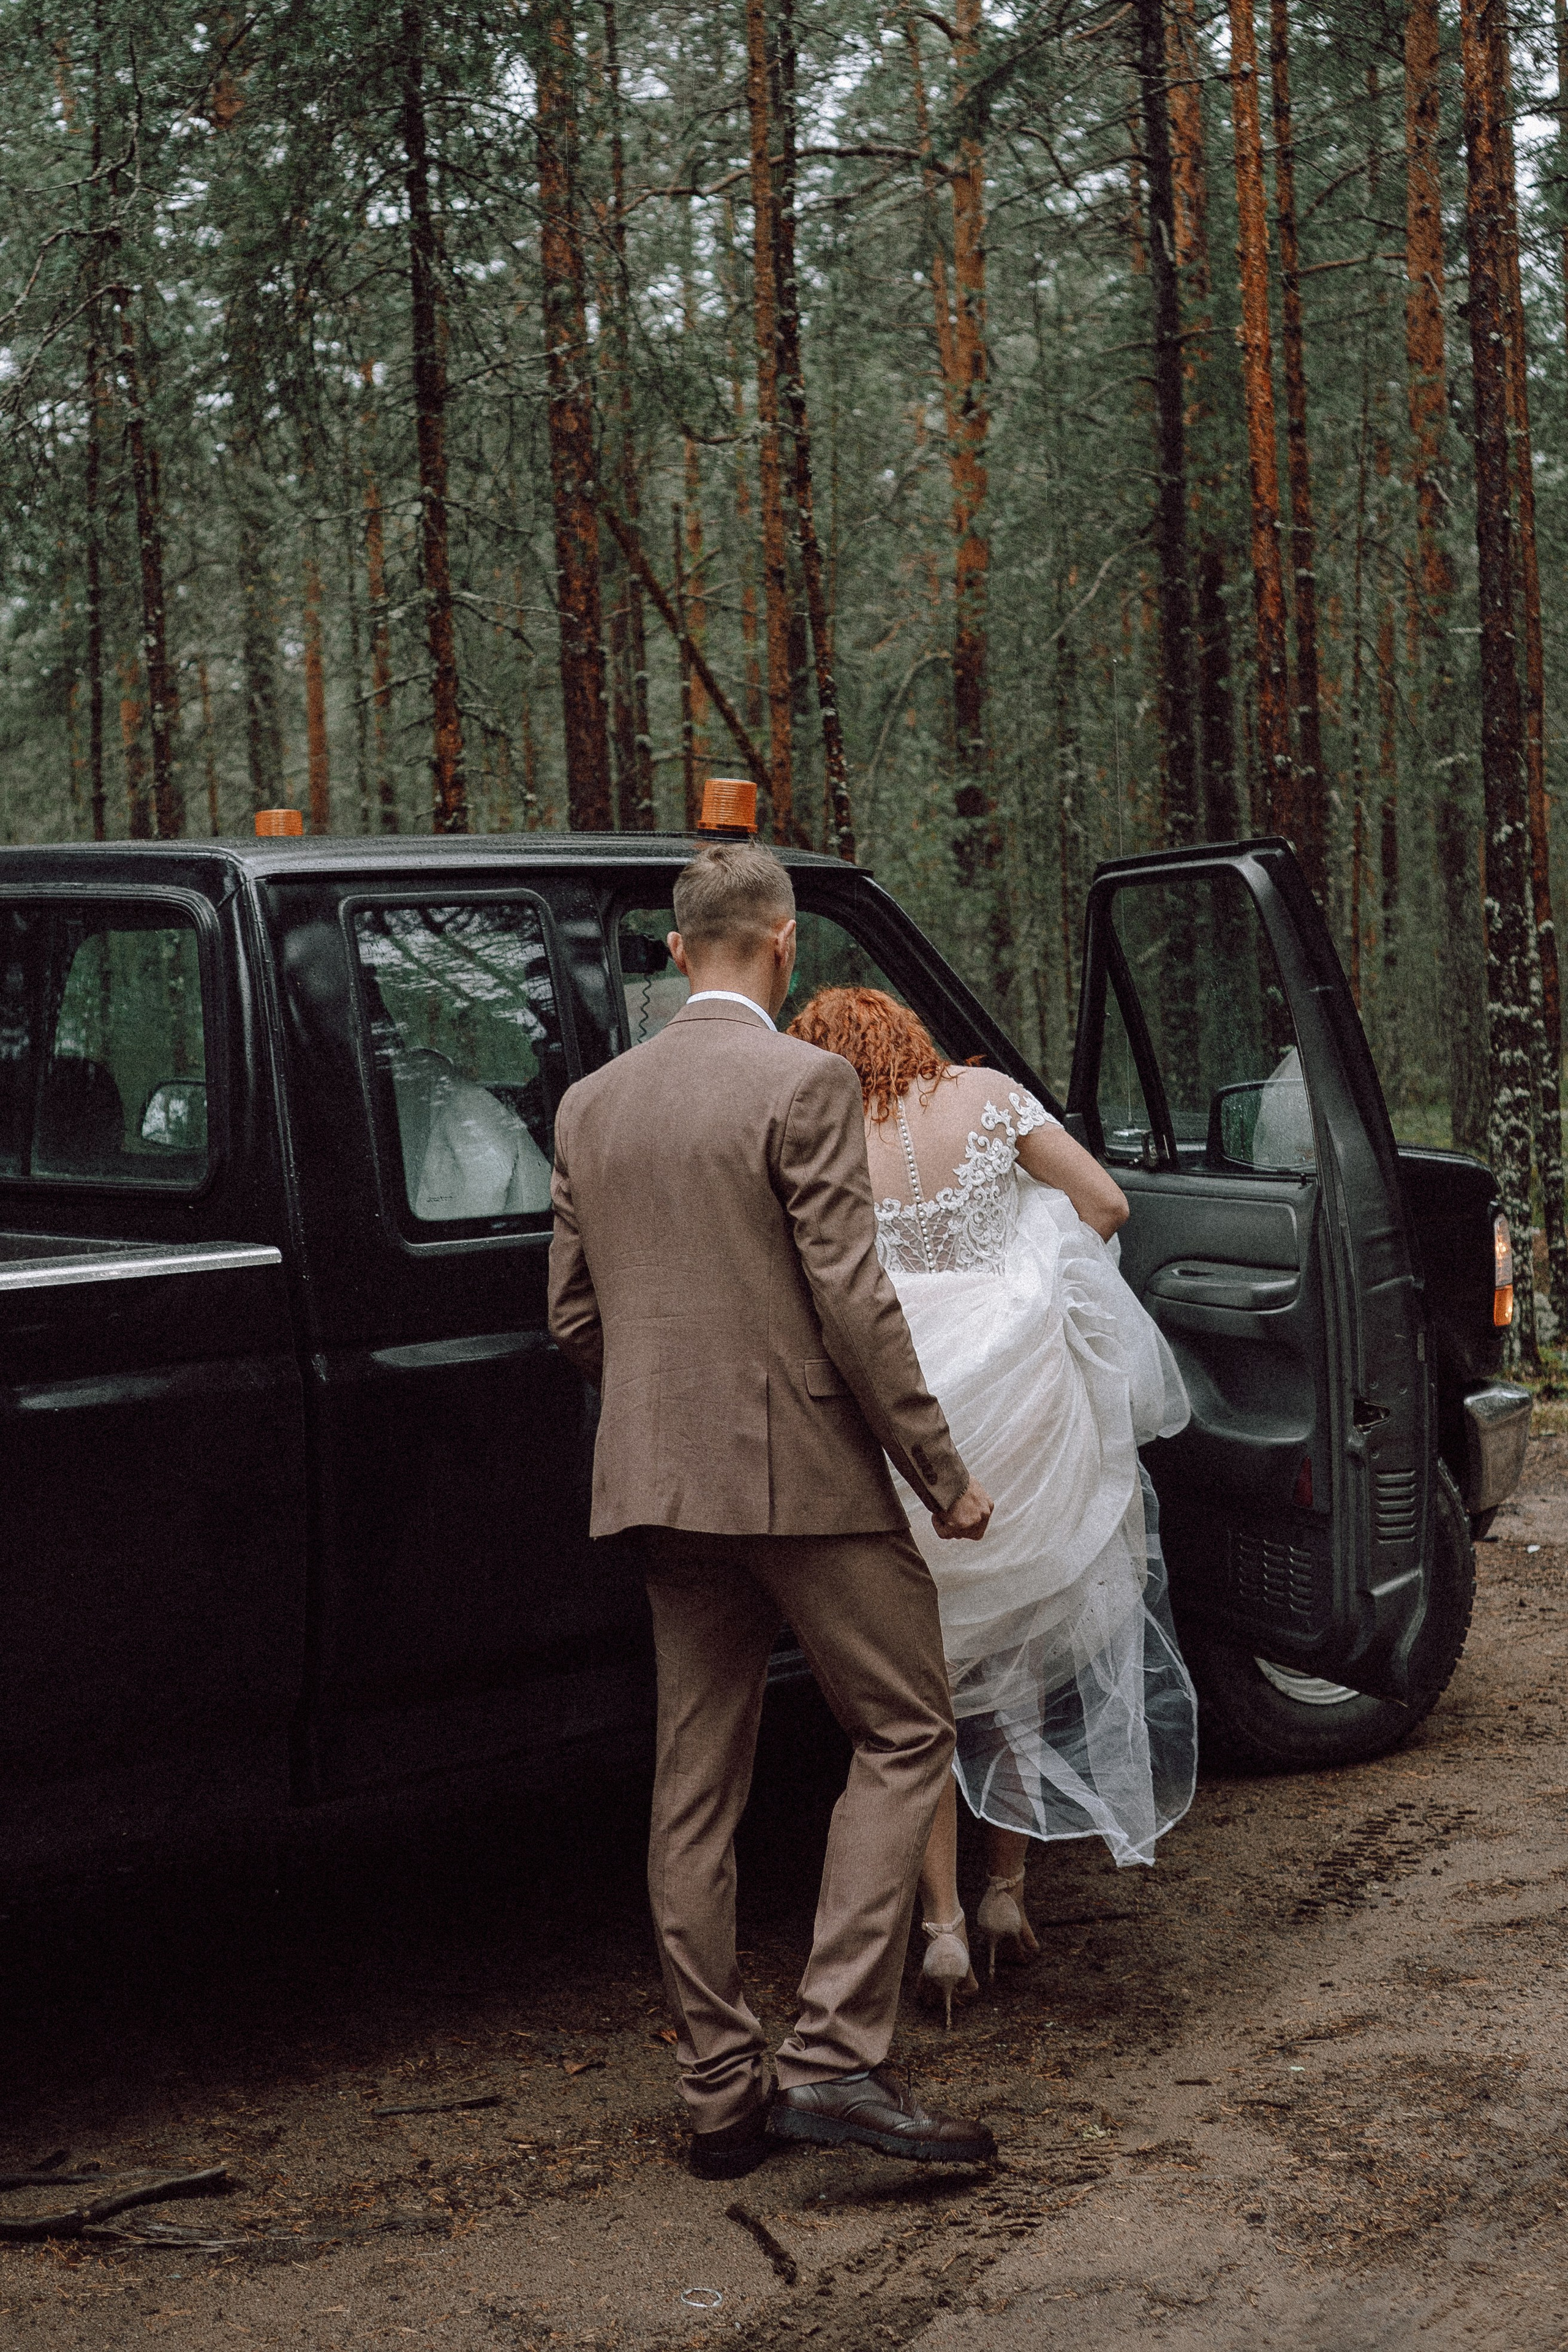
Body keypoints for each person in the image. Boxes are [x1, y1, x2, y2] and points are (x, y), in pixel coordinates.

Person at [547, 842, 999, 2180]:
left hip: (657, 1486)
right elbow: (853, 1306)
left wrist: (666, 1410)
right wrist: (942, 1472)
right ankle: (831, 2063)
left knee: (693, 1789)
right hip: (802, 1478)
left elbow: (572, 1318)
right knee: (908, 1723)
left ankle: (716, 2095)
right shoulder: (805, 1081)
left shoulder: (588, 1104)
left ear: (680, 952)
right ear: (784, 943)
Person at [786, 987, 1197, 2022]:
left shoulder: (816, 1127)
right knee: (1018, 1655)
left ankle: (939, 1932)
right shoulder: (989, 1095)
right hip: (1018, 1413)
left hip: (904, 1422)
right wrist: (1032, 1258)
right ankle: (1007, 1893)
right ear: (911, 1036)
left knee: (919, 1685)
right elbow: (1107, 1205)